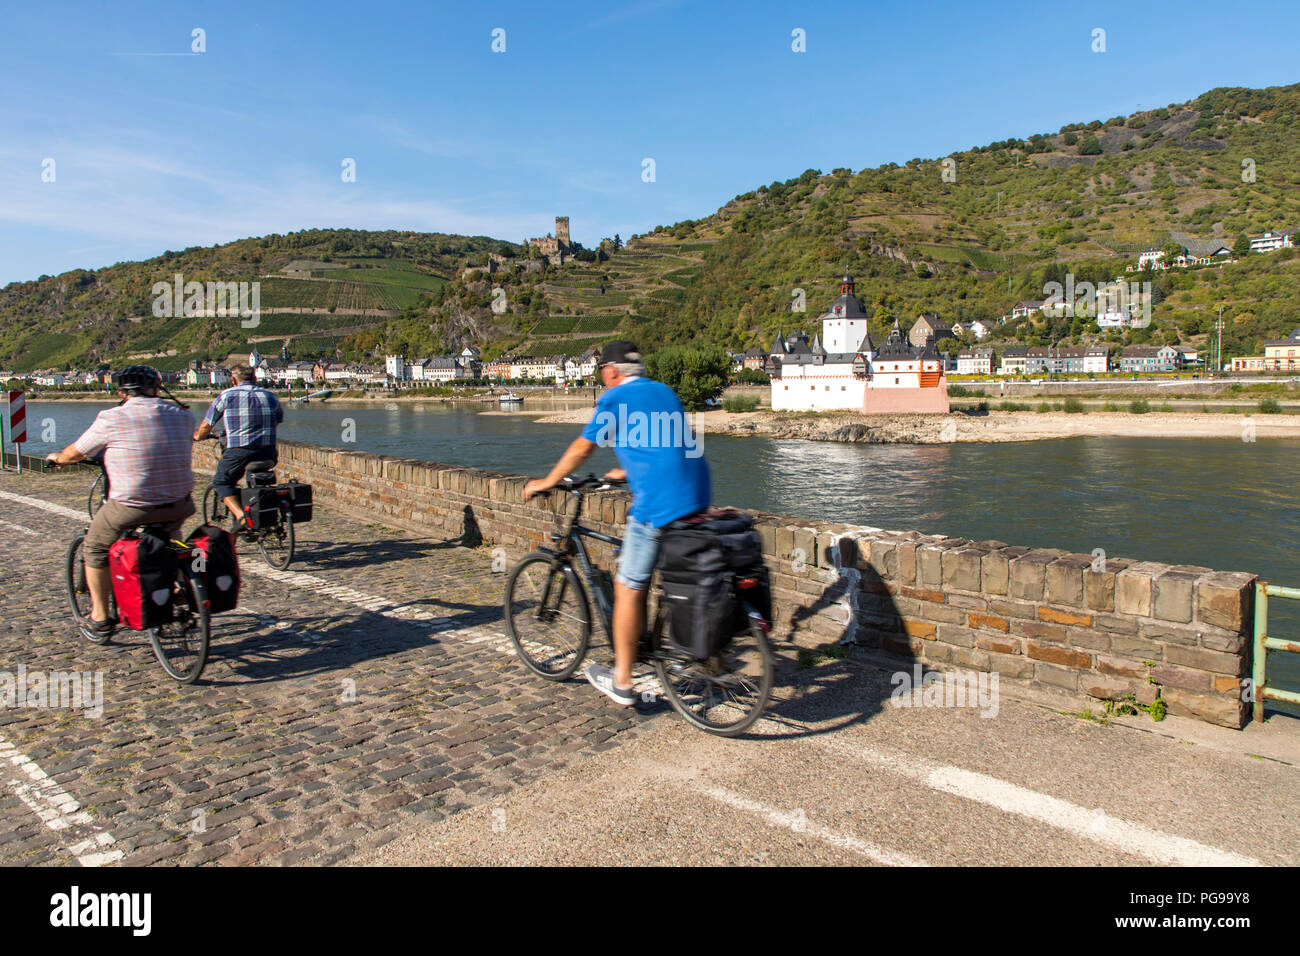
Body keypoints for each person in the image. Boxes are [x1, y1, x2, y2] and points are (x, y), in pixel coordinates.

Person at [524, 341, 711, 706]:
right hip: (698, 494)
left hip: (659, 504)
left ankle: (622, 680)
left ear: (611, 371)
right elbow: (671, 444)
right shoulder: (663, 391)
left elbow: (583, 448)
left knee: (629, 584)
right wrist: (627, 470)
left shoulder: (613, 399)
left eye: (600, 371)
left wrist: (547, 482)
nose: (601, 378)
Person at [45, 366, 196, 638]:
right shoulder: (183, 415)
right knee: (171, 536)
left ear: (121, 392)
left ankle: (101, 616)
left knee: (95, 546)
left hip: (132, 506)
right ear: (157, 389)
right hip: (180, 502)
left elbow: (76, 452)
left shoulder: (112, 417)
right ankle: (179, 585)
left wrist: (57, 458)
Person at [193, 364, 283, 533]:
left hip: (239, 452)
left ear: (233, 380)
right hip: (269, 452)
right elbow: (277, 419)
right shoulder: (270, 396)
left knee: (221, 482)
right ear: (255, 379)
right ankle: (257, 514)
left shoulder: (226, 395)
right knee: (253, 480)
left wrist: (198, 436)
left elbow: (207, 425)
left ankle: (241, 516)